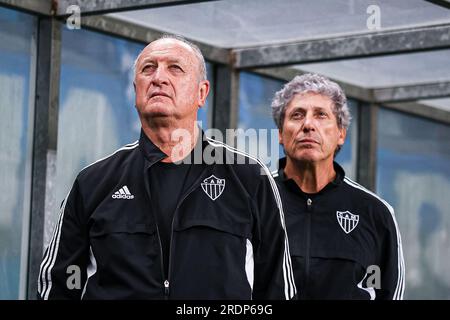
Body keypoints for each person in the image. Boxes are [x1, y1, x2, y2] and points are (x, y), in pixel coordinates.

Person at [37, 35, 296, 300]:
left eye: (175, 68)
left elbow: (278, 289)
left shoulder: (250, 178)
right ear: (136, 88)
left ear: (201, 93)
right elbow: (57, 282)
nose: (158, 77)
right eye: (148, 68)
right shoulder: (93, 182)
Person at [271, 73, 405, 300]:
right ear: (281, 135)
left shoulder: (375, 213)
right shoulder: (253, 200)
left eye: (321, 115)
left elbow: (388, 292)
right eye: (297, 115)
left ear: (341, 134)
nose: (308, 125)